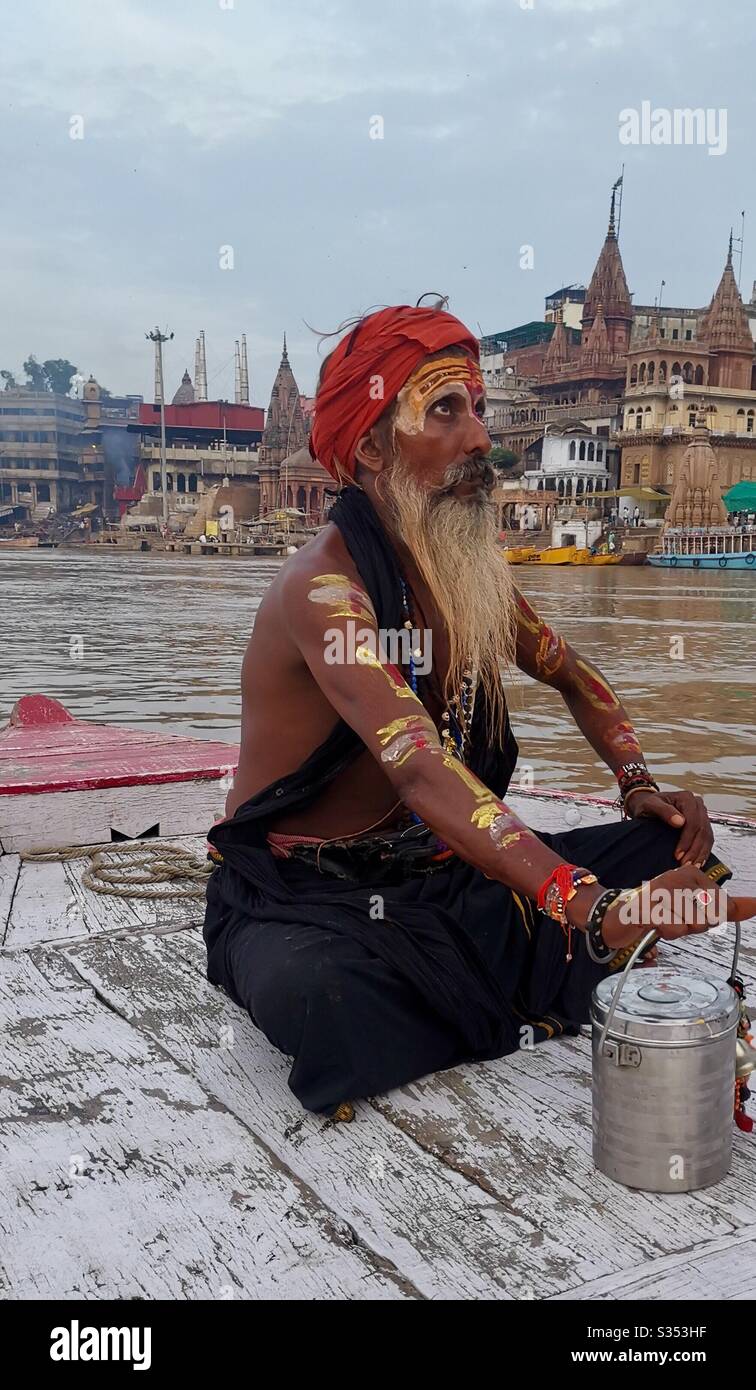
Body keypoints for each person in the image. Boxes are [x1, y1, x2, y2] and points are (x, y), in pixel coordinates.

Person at [203, 302, 745, 1118]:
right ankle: (585, 943)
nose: (482, 439)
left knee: (665, 845)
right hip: (305, 898)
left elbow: (578, 677)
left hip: (436, 870)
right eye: (445, 411)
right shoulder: (326, 593)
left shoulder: (467, 577)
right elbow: (419, 765)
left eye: (480, 411)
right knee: (324, 996)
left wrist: (636, 782)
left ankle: (578, 936)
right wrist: (585, 907)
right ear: (372, 446)